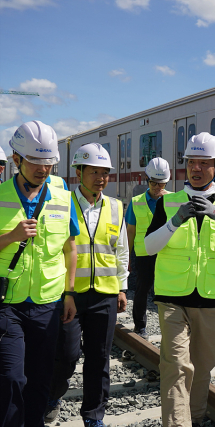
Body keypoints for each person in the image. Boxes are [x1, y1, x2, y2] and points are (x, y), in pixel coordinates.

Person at [144, 132, 215, 427]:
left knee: (202, 369)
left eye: (204, 163)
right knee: (176, 366)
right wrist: (174, 222)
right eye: (192, 162)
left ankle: (197, 418)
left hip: (212, 299)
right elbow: (149, 247)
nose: (197, 168)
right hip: (172, 298)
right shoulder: (168, 204)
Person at [0, 120, 78, 427]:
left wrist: (69, 293)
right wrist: (11, 236)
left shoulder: (62, 198)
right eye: (35, 161)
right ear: (17, 159)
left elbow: (70, 249)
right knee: (10, 376)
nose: (43, 169)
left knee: (41, 378)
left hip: (48, 303)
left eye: (48, 163)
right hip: (8, 303)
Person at [45, 143, 129, 427]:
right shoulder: (61, 204)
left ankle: (94, 416)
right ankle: (52, 397)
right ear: (78, 172)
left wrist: (122, 287)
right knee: (66, 356)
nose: (100, 178)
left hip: (105, 294)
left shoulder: (116, 207)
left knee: (99, 359)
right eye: (94, 171)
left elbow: (121, 251)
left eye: (105, 172)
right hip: (69, 295)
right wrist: (64, 291)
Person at [125, 157, 171, 339]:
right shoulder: (136, 202)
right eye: (153, 182)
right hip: (144, 255)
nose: (157, 187)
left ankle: (169, 328)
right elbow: (130, 232)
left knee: (165, 294)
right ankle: (140, 326)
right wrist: (127, 257)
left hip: (166, 254)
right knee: (142, 290)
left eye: (161, 183)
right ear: (147, 180)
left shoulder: (173, 201)